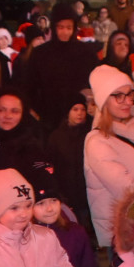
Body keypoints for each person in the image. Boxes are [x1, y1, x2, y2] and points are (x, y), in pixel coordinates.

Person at [84, 65, 134, 249]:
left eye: (130, 94)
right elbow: (127, 189)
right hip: (125, 231)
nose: (127, 101)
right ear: (104, 101)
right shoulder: (97, 141)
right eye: (119, 96)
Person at [25, 2, 101, 131]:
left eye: (69, 27)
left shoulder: (86, 53)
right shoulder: (41, 53)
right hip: (49, 117)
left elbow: (95, 83)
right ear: (54, 27)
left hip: (79, 116)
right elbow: (30, 85)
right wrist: (37, 112)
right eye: (61, 27)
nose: (65, 32)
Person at [46, 93, 93, 226]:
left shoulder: (90, 134)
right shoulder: (56, 137)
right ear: (68, 112)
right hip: (66, 194)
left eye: (82, 109)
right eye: (75, 109)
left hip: (87, 194)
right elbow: (51, 165)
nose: (80, 113)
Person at [0, 86, 46, 175]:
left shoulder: (32, 149)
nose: (7, 116)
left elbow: (44, 179)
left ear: (23, 114)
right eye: (1, 110)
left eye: (14, 111)